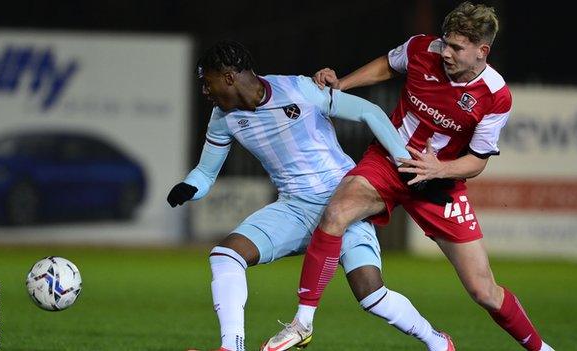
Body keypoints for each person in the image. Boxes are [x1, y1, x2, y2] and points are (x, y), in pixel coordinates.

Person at [262, 2, 555, 351]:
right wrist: (342, 84)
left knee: (483, 290)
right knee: (336, 212)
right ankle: (303, 323)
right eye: (445, 42)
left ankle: (542, 349)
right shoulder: (421, 48)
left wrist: (440, 169)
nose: (445, 52)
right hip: (388, 161)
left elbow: (477, 160)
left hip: (439, 182)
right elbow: (388, 65)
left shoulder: (496, 96)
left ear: (482, 51)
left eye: (456, 48)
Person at [167, 40, 454, 351]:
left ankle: (437, 342)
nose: (205, 92)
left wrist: (403, 160)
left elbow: (368, 112)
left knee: (371, 294)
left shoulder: (299, 89)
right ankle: (232, 346)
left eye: (206, 83)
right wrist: (189, 187)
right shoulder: (222, 118)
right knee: (226, 256)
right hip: (294, 208)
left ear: (228, 77)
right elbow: (206, 174)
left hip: (343, 202)